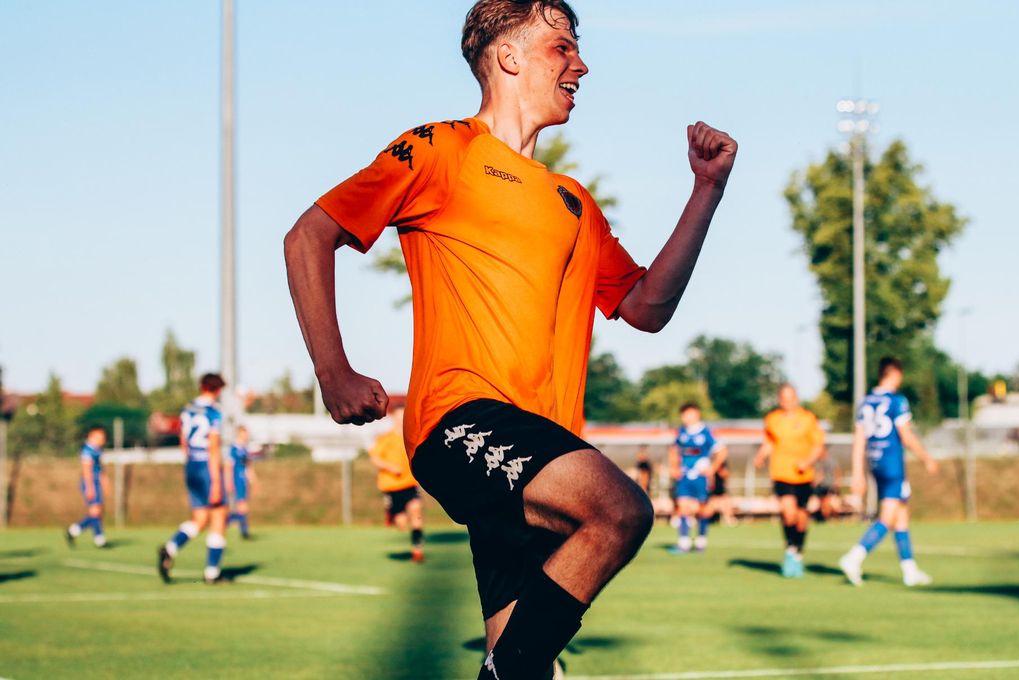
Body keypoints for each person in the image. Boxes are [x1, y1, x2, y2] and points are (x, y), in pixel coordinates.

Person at [283, 0, 738, 675]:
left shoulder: (573, 201)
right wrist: (334, 371)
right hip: (460, 423)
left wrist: (707, 190)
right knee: (619, 511)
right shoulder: (442, 148)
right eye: (562, 47)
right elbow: (308, 236)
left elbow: (647, 307)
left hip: (540, 452)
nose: (581, 65)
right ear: (508, 56)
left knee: (528, 663)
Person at [840, 357, 939, 587]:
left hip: (875, 462)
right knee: (887, 517)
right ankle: (854, 557)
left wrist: (858, 473)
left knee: (901, 513)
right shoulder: (897, 401)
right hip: (893, 464)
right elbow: (906, 435)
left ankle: (909, 570)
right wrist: (927, 458)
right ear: (894, 373)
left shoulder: (866, 402)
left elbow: (858, 440)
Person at [158, 373, 230, 584]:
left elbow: (183, 441)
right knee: (219, 515)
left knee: (200, 519)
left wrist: (191, 462)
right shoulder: (213, 412)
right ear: (216, 390)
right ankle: (212, 573)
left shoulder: (187, 409)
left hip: (191, 465)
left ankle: (170, 548)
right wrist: (216, 482)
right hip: (207, 467)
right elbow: (213, 448)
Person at [754, 384, 825, 578]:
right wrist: (761, 456)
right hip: (781, 473)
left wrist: (807, 461)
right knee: (788, 512)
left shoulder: (807, 419)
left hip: (803, 475)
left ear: (796, 398)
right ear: (779, 399)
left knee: (801, 519)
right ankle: (790, 551)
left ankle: (798, 553)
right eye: (784, 398)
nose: (788, 402)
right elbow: (770, 441)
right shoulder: (772, 419)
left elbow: (818, 445)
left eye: (791, 398)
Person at [369, 406, 425, 562]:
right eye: (398, 417)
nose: (401, 420)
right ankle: (392, 514)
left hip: (410, 483)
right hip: (392, 485)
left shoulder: (412, 437)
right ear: (393, 418)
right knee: (402, 524)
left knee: (416, 509)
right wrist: (391, 467)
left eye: (403, 417)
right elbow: (374, 458)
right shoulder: (386, 439)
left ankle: (417, 550)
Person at [669, 402, 725, 553]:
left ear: (697, 414)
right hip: (684, 475)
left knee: (703, 508)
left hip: (701, 476)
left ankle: (701, 541)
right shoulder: (681, 432)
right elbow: (673, 450)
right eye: (684, 414)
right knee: (682, 505)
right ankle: (684, 543)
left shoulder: (706, 432)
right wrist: (674, 467)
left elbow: (722, 451)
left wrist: (712, 468)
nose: (686, 417)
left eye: (689, 413)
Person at [65, 426, 109, 548]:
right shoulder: (87, 450)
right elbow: (86, 470)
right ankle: (99, 539)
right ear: (91, 435)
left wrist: (105, 482)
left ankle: (74, 530)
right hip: (90, 483)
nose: (103, 438)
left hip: (96, 483)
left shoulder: (98, 450)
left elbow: (101, 469)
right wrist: (89, 487)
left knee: (97, 512)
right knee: (95, 511)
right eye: (100, 436)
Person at [225, 425, 257, 539]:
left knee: (242, 505)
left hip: (243, 480)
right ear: (239, 434)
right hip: (236, 479)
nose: (246, 436)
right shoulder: (233, 449)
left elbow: (247, 466)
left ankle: (230, 523)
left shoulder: (244, 449)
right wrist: (228, 481)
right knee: (242, 505)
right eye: (244, 434)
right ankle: (242, 530)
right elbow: (228, 466)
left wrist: (252, 480)